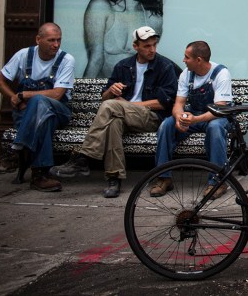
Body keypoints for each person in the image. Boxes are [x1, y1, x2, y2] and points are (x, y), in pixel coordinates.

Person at [50, 26, 178, 198]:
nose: (152, 49)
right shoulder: (123, 66)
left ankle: (85, 156)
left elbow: (165, 103)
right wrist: (111, 91)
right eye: (147, 46)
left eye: (154, 45)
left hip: (151, 118)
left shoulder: (164, 66)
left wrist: (129, 105)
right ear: (135, 46)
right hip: (123, 116)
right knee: (113, 123)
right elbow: (105, 97)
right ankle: (114, 178)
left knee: (112, 107)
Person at [0, 23, 75, 192]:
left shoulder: (66, 59)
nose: (56, 44)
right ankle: (39, 175)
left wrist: (25, 95)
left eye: (58, 40)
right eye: (51, 40)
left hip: (59, 111)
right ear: (38, 40)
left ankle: (14, 152)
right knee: (43, 119)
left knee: (39, 101)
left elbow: (57, 94)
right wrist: (12, 96)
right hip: (29, 114)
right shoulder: (24, 55)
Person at [150, 40, 233, 197]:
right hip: (195, 114)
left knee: (215, 128)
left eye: (187, 57)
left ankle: (218, 182)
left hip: (217, 116)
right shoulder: (186, 74)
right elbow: (179, 103)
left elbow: (219, 109)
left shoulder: (221, 74)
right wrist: (179, 117)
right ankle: (164, 178)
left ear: (199, 60)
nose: (183, 60)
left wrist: (194, 120)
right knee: (166, 125)